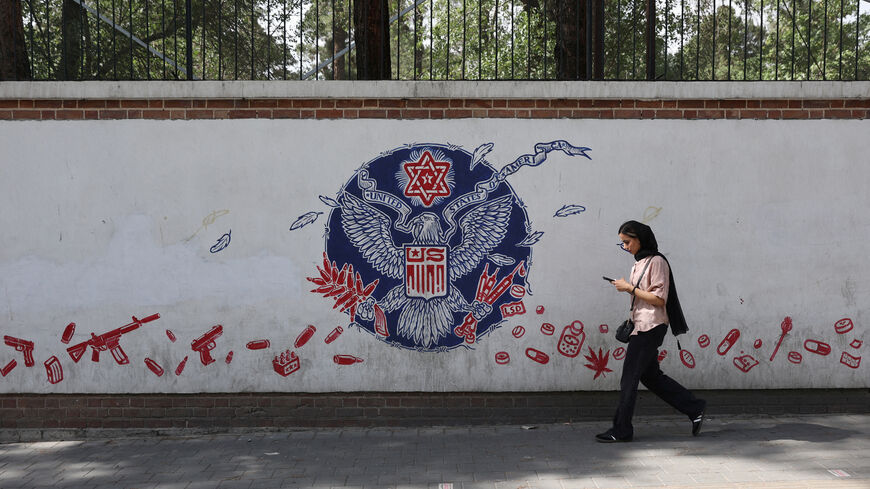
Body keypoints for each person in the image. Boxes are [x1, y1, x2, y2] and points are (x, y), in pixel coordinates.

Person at [596, 220, 706, 443]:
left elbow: (659, 299)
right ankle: (694, 407)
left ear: (640, 238)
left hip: (651, 326)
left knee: (629, 378)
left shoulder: (657, 261)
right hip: (640, 325)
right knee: (650, 376)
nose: (625, 247)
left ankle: (622, 429)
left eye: (627, 242)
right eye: (622, 244)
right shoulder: (639, 263)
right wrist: (629, 288)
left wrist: (629, 288)